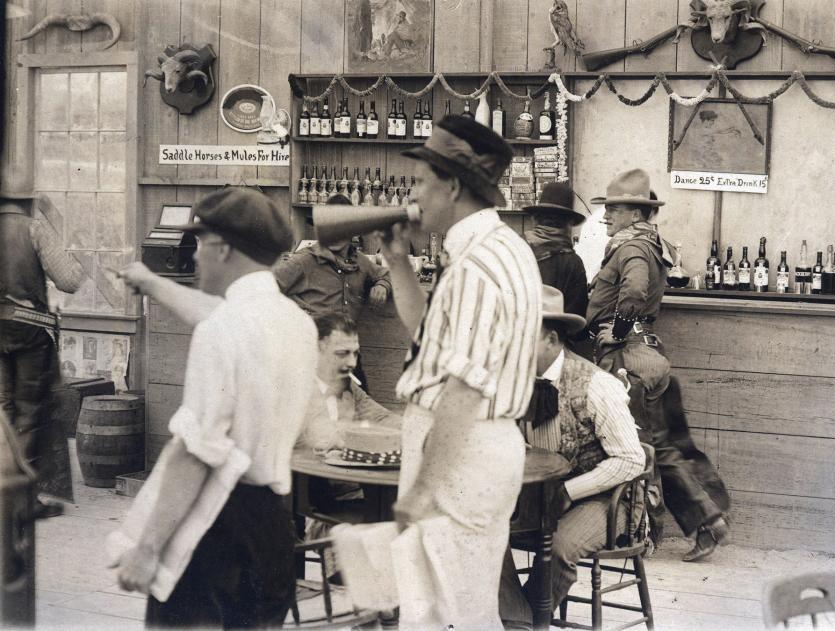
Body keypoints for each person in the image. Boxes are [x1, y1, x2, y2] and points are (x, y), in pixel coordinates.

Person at [113, 187, 318, 627]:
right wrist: (153, 283)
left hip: (216, 536)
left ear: (222, 248)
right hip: (274, 530)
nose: (192, 258)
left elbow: (195, 452)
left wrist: (147, 549)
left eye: (199, 244)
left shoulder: (221, 328)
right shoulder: (299, 324)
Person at [368, 115, 542, 628]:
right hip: (478, 446)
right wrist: (398, 262)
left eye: (422, 180)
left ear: (454, 185)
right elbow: (431, 335)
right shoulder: (501, 249)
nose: (414, 193)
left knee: (432, 615)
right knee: (465, 611)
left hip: (461, 448)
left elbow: (462, 390)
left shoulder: (475, 268)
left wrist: (424, 487)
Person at [585, 169, 730, 562]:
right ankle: (705, 520)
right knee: (662, 445)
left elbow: (633, 292)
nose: (606, 216)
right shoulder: (648, 244)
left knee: (646, 448)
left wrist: (616, 331)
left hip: (629, 358)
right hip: (645, 355)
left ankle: (700, 523)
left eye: (614, 209)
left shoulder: (631, 248)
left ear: (635, 214)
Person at [499, 285, 645, 629]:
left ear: (551, 339)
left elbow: (630, 459)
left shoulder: (597, 385)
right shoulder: (516, 381)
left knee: (561, 546)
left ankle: (526, 621)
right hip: (543, 494)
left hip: (607, 500)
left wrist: (569, 491)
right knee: (483, 530)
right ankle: (518, 618)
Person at [298, 312, 401, 582]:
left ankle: (377, 610)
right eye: (342, 353)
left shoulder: (350, 388)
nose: (352, 362)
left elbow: (383, 418)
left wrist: (425, 429)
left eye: (355, 354)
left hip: (352, 494)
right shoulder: (293, 388)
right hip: (307, 499)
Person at [0, 191, 84, 518]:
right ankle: (22, 498)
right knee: (29, 412)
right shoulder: (33, 229)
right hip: (29, 332)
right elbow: (70, 280)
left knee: (2, 409)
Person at [273, 193, 391, 391]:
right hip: (311, 355)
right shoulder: (304, 261)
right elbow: (266, 286)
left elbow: (386, 274)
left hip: (348, 355)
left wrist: (382, 285)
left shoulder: (361, 261)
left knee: (358, 407)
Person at [522, 182, 589, 320]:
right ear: (568, 224)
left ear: (535, 218)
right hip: (550, 337)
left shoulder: (515, 246)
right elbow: (576, 315)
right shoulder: (572, 262)